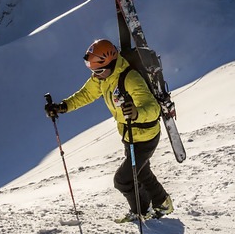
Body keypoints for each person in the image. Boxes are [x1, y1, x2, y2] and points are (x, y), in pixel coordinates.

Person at [45, 39, 174, 222]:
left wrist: (137, 113)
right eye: (92, 71)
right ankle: (162, 202)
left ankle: (141, 212)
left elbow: (153, 109)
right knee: (140, 171)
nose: (95, 76)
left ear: (111, 63)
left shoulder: (130, 79)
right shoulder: (104, 77)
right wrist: (63, 106)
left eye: (98, 71)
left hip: (144, 135)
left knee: (123, 180)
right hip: (129, 134)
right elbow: (87, 94)